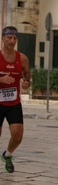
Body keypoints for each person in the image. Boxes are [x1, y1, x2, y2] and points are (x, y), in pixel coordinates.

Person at [0, 26, 30, 173]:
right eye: (9, 38)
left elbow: (27, 74)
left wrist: (26, 82)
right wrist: (1, 79)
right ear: (3, 38)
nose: (12, 41)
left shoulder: (22, 58)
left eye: (14, 38)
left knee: (18, 136)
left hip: (14, 102)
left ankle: (7, 155)